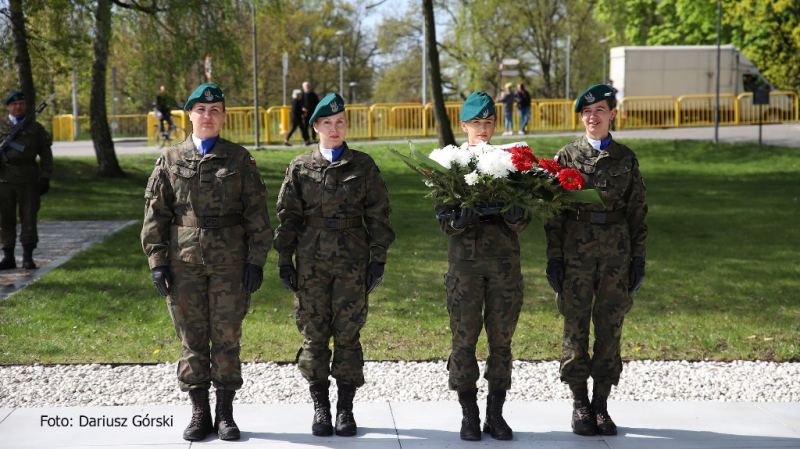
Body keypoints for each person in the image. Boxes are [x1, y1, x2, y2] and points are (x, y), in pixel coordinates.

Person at [141, 82, 273, 442]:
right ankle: (200, 411)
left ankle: (226, 414)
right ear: (190, 115)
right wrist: (157, 261)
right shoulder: (170, 159)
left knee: (227, 336)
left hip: (231, 263)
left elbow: (257, 215)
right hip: (184, 263)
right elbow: (156, 216)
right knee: (192, 338)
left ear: (224, 116)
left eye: (215, 111)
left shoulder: (240, 159)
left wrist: (256, 261)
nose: (208, 116)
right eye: (201, 110)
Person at [274, 92, 395, 438]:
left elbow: (379, 215)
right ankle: (320, 406)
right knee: (313, 336)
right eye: (328, 122)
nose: (335, 128)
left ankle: (345, 408)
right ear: (315, 127)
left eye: (340, 121)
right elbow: (288, 217)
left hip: (352, 263)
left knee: (348, 335)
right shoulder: (300, 167)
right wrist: (284, 259)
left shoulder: (364, 166)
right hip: (311, 263)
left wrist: (378, 258)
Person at [543, 83, 647, 437]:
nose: (592, 117)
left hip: (616, 254)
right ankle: (579, 403)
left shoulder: (626, 159)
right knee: (575, 326)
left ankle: (601, 404)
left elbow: (638, 212)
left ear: (613, 114)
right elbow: (553, 213)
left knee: (610, 327)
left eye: (600, 110)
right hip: (576, 253)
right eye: (587, 112)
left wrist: (638, 260)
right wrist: (554, 258)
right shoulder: (566, 157)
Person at [438, 91, 530, 441]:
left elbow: (525, 221)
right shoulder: (450, 165)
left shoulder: (513, 163)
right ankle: (469, 414)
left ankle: (495, 414)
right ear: (463, 125)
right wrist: (459, 220)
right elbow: (443, 224)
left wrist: (516, 214)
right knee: (463, 341)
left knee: (501, 341)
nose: (483, 128)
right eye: (476, 122)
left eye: (488, 122)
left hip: (505, 267)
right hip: (465, 269)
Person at [0, 91, 53, 270]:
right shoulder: (0, 126)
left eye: (21, 103)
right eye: (14, 104)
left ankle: (27, 256)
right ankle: (7, 255)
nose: (18, 107)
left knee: (28, 218)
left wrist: (45, 177)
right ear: (7, 106)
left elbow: (46, 154)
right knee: (4, 219)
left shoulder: (35, 128)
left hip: (28, 179)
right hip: (4, 179)